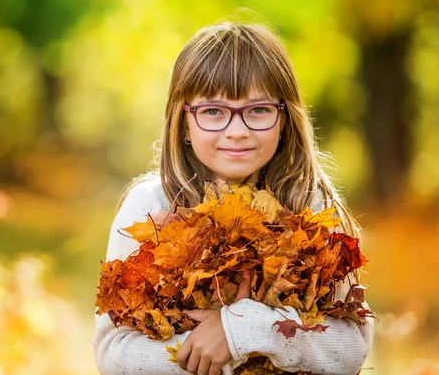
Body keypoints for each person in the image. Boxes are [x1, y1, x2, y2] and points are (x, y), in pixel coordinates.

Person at [93, 20, 373, 375]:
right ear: (184, 123)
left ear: (284, 118)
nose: (237, 131)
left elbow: (352, 347)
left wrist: (243, 330)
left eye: (258, 110)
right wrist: (217, 352)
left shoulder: (310, 207)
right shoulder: (151, 208)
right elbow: (113, 354)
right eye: (213, 112)